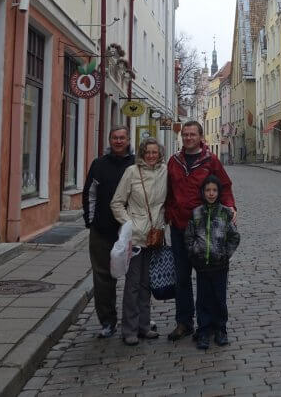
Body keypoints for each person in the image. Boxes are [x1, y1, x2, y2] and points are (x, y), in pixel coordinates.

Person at [164, 121, 237, 341]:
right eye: (185, 134)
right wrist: (166, 213)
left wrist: (231, 207)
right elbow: (167, 189)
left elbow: (223, 185)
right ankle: (184, 322)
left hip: (203, 229)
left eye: (192, 134)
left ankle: (212, 323)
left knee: (208, 277)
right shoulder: (174, 162)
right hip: (179, 226)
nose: (188, 138)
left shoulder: (210, 160)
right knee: (182, 277)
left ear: (200, 136)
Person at [111, 138, 167, 345]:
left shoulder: (164, 172)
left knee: (147, 283)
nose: (151, 155)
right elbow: (116, 203)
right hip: (135, 238)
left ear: (159, 153)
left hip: (154, 235)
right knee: (133, 284)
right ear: (142, 154)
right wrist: (130, 224)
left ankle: (144, 326)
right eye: (148, 152)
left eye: (155, 152)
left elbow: (166, 202)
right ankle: (129, 329)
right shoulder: (131, 172)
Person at [82, 126, 134, 339]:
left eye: (122, 138)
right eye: (115, 138)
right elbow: (90, 194)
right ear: (110, 140)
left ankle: (137, 317)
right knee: (103, 278)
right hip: (103, 229)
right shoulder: (99, 164)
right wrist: (90, 221)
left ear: (128, 140)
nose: (118, 141)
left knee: (135, 277)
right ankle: (107, 320)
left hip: (131, 231)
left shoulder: (136, 164)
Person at [184, 175, 240, 349]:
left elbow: (234, 237)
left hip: (220, 265)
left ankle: (220, 329)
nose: (211, 193)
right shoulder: (197, 213)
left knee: (219, 298)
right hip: (202, 266)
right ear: (203, 192)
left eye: (214, 190)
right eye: (208, 190)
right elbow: (188, 236)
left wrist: (225, 253)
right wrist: (195, 251)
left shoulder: (225, 213)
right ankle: (203, 330)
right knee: (203, 299)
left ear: (219, 192)